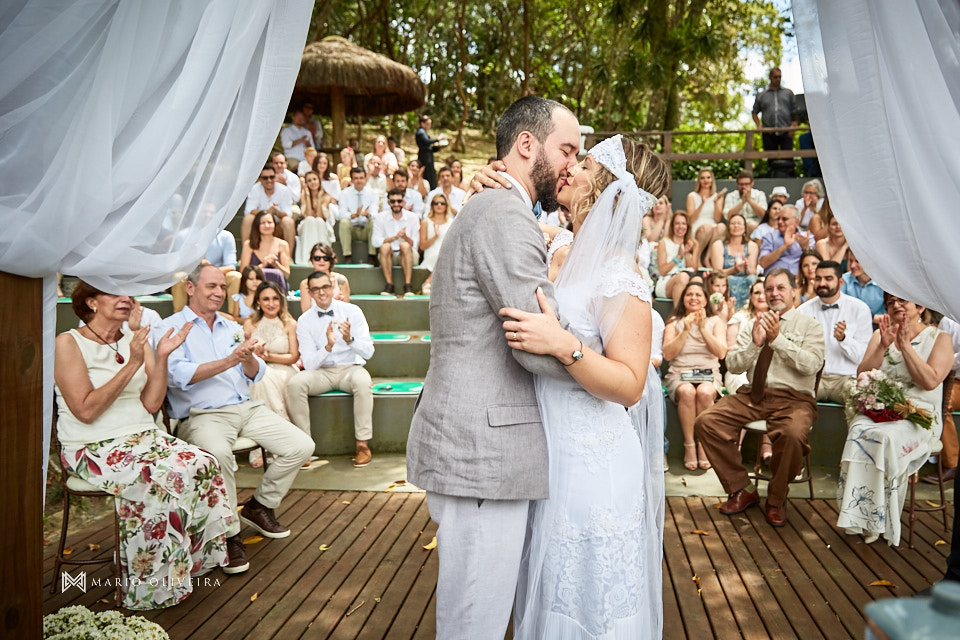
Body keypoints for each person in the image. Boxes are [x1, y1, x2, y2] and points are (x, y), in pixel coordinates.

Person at [406, 96, 582, 639]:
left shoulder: (499, 208)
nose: (573, 165)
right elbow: (533, 342)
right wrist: (605, 369)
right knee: (474, 621)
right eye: (568, 150)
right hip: (484, 451)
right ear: (527, 145)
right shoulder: (505, 215)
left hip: (481, 444)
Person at [496, 133, 670, 638]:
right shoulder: (561, 244)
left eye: (586, 163)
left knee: (585, 601)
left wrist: (561, 345)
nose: (569, 167)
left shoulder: (621, 276)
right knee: (546, 584)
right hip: (545, 445)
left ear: (611, 189)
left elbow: (630, 383)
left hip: (592, 461)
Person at [54, 281, 231, 608]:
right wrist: (133, 363)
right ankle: (150, 588)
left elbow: (151, 403)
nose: (126, 299)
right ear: (91, 302)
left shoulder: (135, 342)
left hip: (142, 436)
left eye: (129, 294)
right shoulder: (68, 343)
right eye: (114, 292)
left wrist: (160, 355)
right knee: (158, 480)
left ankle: (183, 568)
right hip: (92, 444)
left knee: (203, 463)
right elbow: (85, 409)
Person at [163, 264, 315, 574]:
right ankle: (230, 535)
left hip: (247, 407)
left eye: (222, 287)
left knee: (302, 446)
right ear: (190, 288)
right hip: (203, 414)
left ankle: (260, 506)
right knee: (218, 456)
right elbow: (179, 377)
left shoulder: (231, 325)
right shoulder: (171, 328)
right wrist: (231, 359)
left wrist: (246, 359)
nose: (219, 293)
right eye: (211, 287)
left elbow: (255, 373)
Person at [695, 269, 825, 527]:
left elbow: (812, 365)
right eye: (769, 289)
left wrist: (778, 341)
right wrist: (755, 345)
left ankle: (776, 499)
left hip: (795, 399)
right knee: (706, 421)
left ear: (794, 291)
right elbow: (732, 365)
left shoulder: (810, 326)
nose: (774, 293)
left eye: (780, 288)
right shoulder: (751, 324)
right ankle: (743, 488)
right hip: (754, 395)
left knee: (792, 434)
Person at [836, 293, 953, 545]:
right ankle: (860, 517)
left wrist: (906, 347)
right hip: (883, 411)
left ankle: (882, 520)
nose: (896, 305)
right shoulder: (881, 334)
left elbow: (930, 381)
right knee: (858, 430)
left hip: (919, 418)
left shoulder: (939, 339)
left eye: (903, 300)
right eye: (890, 302)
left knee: (884, 438)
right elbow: (862, 374)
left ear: (920, 305)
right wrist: (881, 346)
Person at [286, 271, 376, 467]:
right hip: (322, 372)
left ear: (332, 288)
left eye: (325, 287)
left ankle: (362, 444)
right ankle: (304, 447)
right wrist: (327, 346)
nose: (322, 292)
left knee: (363, 381)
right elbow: (309, 364)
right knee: (295, 384)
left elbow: (369, 352)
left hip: (350, 368)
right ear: (309, 292)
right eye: (316, 289)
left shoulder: (352, 311)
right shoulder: (304, 320)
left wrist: (349, 340)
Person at [663, 281, 727, 471]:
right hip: (680, 374)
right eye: (689, 294)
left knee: (706, 393)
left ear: (706, 300)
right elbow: (668, 354)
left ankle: (704, 444)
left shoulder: (716, 322)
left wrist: (702, 328)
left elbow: (721, 352)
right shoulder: (674, 323)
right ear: (683, 299)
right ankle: (690, 445)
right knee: (688, 392)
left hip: (709, 374)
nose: (694, 298)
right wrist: (686, 329)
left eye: (698, 295)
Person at [797, 260, 873, 404]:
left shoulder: (860, 309)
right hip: (813, 379)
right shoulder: (803, 311)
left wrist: (844, 339)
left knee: (865, 402)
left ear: (841, 283)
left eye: (828, 278)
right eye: (818, 279)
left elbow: (863, 358)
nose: (822, 283)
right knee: (793, 400)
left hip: (846, 379)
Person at [243, 281, 299, 423]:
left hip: (284, 369)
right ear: (258, 302)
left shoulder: (290, 324)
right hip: (256, 368)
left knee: (263, 377)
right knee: (260, 376)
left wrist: (269, 357)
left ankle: (278, 422)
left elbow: (293, 356)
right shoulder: (249, 323)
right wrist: (255, 356)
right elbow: (243, 352)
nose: (271, 303)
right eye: (266, 299)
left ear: (281, 300)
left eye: (275, 298)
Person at [924, 315, 960, 484]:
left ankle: (951, 464)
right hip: (949, 379)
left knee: (941, 405)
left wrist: (945, 360)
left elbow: (949, 357)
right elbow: (940, 350)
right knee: (936, 401)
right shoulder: (948, 319)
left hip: (952, 376)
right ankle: (949, 463)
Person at [170, 229, 241, 312]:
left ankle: (233, 316)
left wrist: (209, 272)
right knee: (179, 276)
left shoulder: (225, 236)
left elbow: (230, 266)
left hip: (217, 275)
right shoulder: (183, 235)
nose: (208, 215)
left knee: (235, 276)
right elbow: (178, 265)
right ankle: (179, 315)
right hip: (192, 273)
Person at [373, 188, 420, 296]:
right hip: (389, 255)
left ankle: (408, 285)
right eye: (393, 201)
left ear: (403, 202)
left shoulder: (413, 217)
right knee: (385, 247)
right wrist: (394, 237)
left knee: (405, 245)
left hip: (409, 254)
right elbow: (375, 242)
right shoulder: (381, 217)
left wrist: (405, 237)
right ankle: (389, 285)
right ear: (388, 202)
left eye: (399, 201)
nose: (396, 204)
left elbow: (415, 245)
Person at [709, 212, 759, 308]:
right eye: (733, 223)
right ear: (728, 227)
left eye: (739, 223)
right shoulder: (719, 245)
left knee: (752, 279)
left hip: (746, 278)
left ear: (745, 228)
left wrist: (746, 267)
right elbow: (717, 273)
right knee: (728, 281)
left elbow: (752, 271)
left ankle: (750, 309)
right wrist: (734, 270)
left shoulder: (751, 245)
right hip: (726, 278)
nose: (736, 226)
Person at [242, 164, 295, 249]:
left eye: (272, 177)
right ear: (260, 179)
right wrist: (266, 213)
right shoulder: (255, 189)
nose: (269, 180)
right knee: (248, 219)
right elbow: (248, 211)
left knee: (288, 221)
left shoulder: (284, 190)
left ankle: (288, 257)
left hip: (278, 225)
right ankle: (246, 252)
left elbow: (288, 214)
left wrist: (276, 212)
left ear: (275, 177)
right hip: (259, 224)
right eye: (265, 178)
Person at [240, 210, 291, 292]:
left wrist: (276, 265)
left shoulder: (283, 244)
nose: (266, 225)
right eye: (263, 223)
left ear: (274, 224)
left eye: (269, 222)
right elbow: (243, 273)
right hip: (254, 288)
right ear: (257, 225)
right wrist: (261, 266)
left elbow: (287, 274)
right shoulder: (248, 244)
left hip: (276, 288)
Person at [655, 209, 697, 307]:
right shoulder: (664, 243)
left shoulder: (693, 243)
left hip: (686, 278)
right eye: (677, 223)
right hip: (666, 281)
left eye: (683, 224)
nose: (680, 227)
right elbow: (662, 271)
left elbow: (694, 270)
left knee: (698, 280)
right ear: (672, 226)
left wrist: (686, 253)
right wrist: (678, 256)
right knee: (682, 277)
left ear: (687, 226)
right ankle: (678, 316)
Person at [336, 166, 378, 264]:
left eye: (361, 178)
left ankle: (372, 255)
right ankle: (347, 256)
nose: (359, 181)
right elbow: (341, 214)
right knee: (344, 222)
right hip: (352, 229)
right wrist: (354, 215)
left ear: (365, 179)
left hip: (366, 228)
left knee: (373, 222)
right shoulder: (344, 193)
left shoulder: (372, 194)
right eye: (356, 178)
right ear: (352, 180)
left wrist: (367, 214)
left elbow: (375, 214)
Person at [419, 187, 455, 295]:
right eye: (436, 203)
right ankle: (428, 282)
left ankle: (428, 281)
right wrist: (435, 236)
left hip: (446, 255)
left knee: (445, 255)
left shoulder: (451, 222)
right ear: (432, 205)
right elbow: (422, 246)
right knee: (441, 256)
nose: (439, 205)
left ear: (446, 206)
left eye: (442, 203)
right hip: (430, 256)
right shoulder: (425, 222)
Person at [294, 170, 336, 264]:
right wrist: (308, 196)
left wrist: (320, 197)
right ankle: (307, 258)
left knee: (318, 221)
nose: (312, 182)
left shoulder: (326, 196)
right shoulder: (304, 195)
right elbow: (308, 214)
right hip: (308, 224)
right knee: (310, 220)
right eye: (309, 180)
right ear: (306, 183)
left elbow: (320, 216)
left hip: (322, 224)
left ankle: (321, 255)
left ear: (319, 181)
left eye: (314, 179)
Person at [752, 67, 796, 153]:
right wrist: (759, 126)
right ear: (770, 77)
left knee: (788, 160)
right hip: (768, 133)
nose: (778, 79)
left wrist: (793, 127)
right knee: (771, 161)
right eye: (775, 77)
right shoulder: (762, 95)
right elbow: (754, 113)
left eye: (780, 77)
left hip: (786, 132)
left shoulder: (788, 93)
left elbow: (795, 112)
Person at [758, 204, 814, 273]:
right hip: (775, 279)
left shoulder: (807, 238)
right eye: (778, 218)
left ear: (796, 221)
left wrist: (806, 248)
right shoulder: (769, 237)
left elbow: (814, 266)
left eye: (784, 219)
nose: (779, 222)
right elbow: (763, 263)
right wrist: (784, 246)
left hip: (799, 279)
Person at [298, 243, 350, 312]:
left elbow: (346, 310)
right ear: (312, 260)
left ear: (331, 260)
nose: (321, 261)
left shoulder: (341, 280)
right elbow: (305, 311)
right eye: (317, 258)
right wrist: (329, 302)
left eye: (326, 258)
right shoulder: (305, 284)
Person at [686, 167, 726, 255]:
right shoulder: (691, 196)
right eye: (702, 178)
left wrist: (716, 203)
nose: (706, 180)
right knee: (707, 227)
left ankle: (708, 258)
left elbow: (718, 219)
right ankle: (697, 256)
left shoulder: (717, 196)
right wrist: (702, 203)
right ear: (699, 181)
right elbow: (691, 219)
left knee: (722, 226)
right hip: (697, 226)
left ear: (712, 180)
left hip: (712, 226)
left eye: (708, 177)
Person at [842, 250, 885, 324]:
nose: (852, 265)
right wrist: (873, 317)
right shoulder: (844, 280)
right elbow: (842, 308)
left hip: (879, 325)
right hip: (851, 324)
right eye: (850, 261)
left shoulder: (884, 282)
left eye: (857, 261)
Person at [415, 114, 445, 189]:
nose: (429, 126)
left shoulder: (423, 132)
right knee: (427, 174)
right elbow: (426, 142)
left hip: (428, 156)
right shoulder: (421, 132)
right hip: (425, 157)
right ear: (422, 123)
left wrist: (438, 148)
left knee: (431, 174)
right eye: (427, 124)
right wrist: (438, 139)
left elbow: (427, 147)